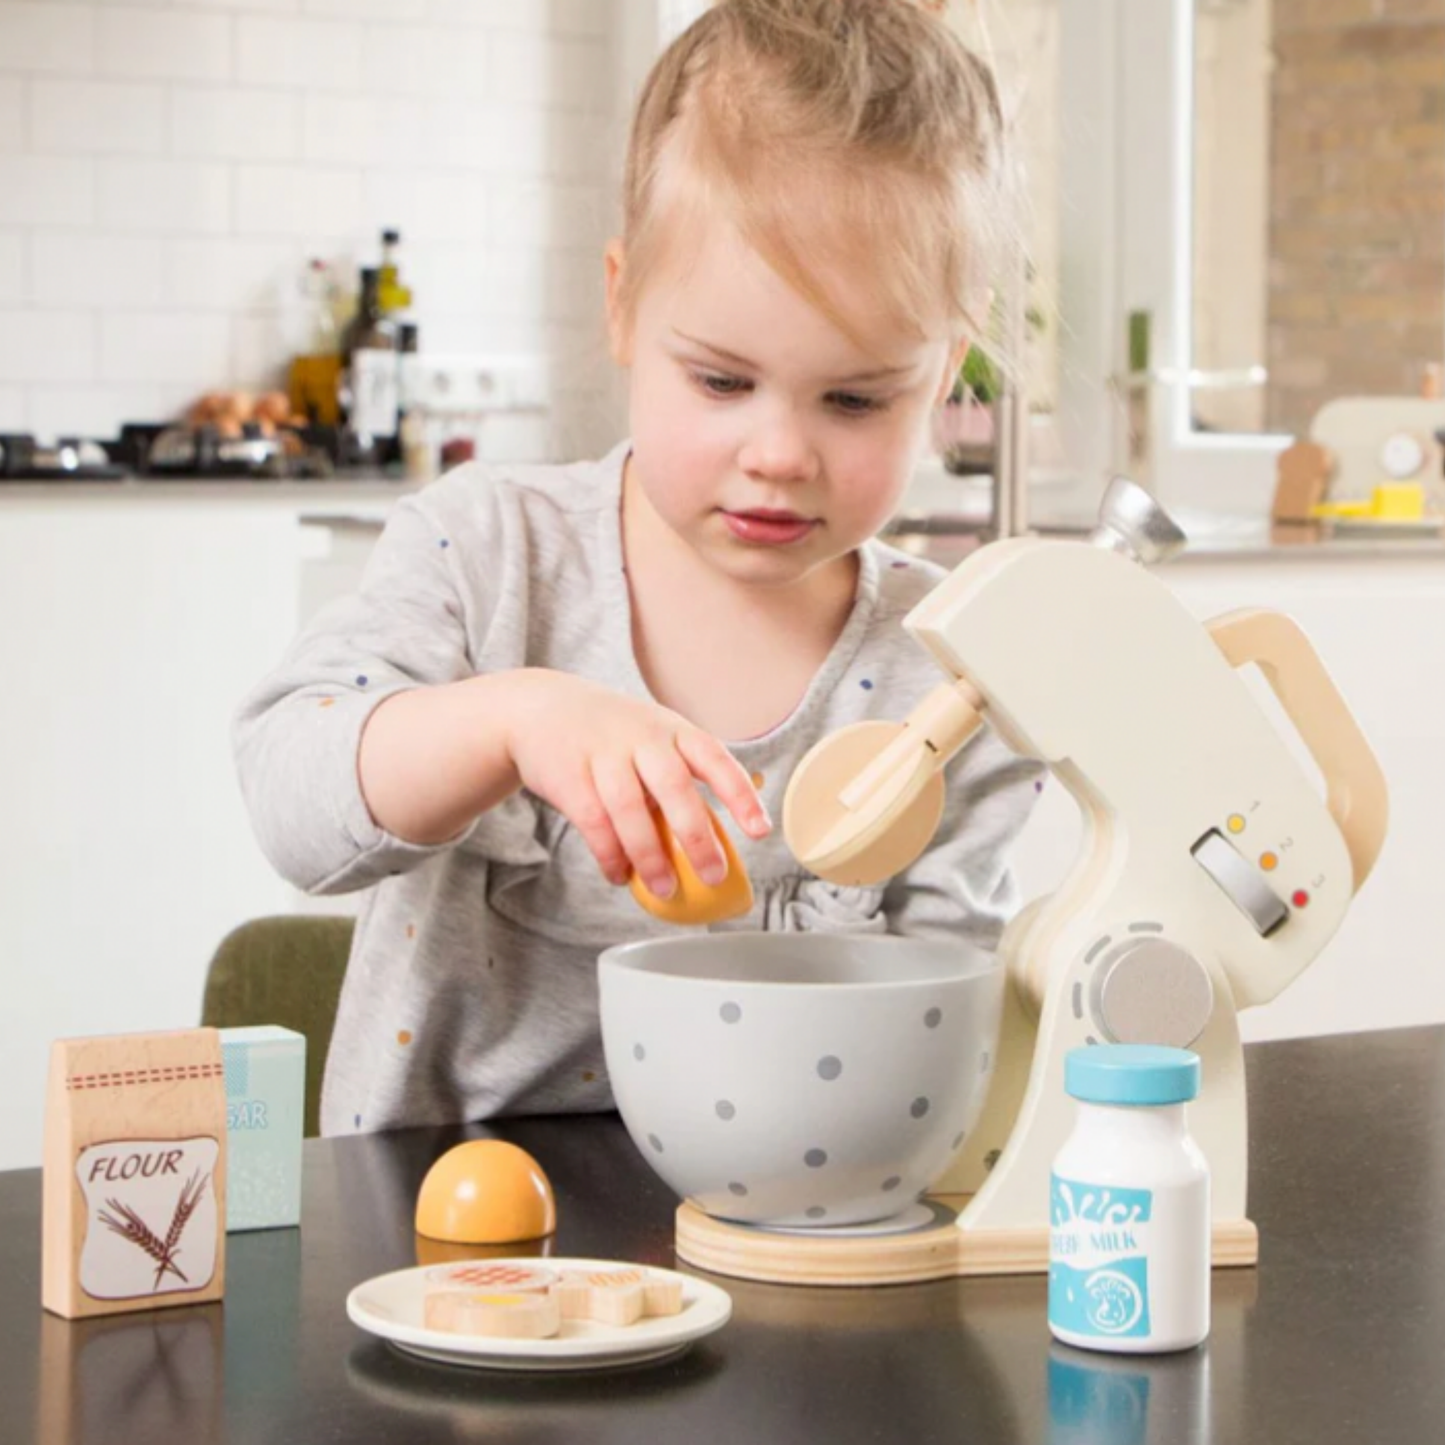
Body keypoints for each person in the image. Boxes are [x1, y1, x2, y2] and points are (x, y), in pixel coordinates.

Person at [234, 0, 1042, 1137]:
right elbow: (290, 800)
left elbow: (938, 1057)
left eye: (855, 398)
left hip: (784, 1238)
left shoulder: (951, 679)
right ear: (621, 303)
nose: (778, 454)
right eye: (720, 381)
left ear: (943, 373)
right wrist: (509, 718)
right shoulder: (488, 552)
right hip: (449, 1256)